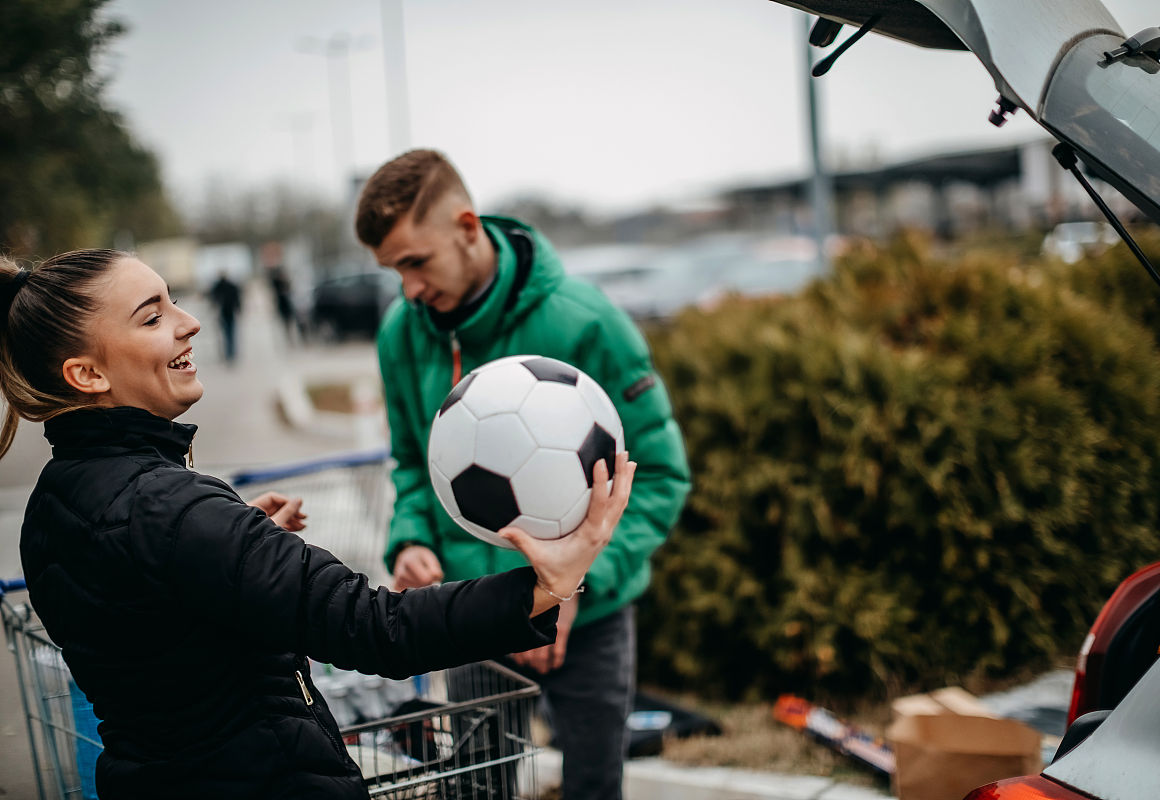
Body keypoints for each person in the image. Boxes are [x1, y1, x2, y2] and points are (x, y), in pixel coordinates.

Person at [1, 249, 636, 799]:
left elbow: (145, 621)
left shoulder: (51, 508)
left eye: (174, 303)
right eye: (154, 316)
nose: (190, 323)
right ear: (87, 374)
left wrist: (226, 545)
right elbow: (378, 629)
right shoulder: (179, 513)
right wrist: (546, 584)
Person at [356, 149, 691, 800]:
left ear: (467, 225)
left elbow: (659, 477)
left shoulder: (586, 319)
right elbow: (410, 467)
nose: (409, 289)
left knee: (595, 786)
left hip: (591, 618)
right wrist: (412, 540)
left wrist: (576, 587)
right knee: (475, 791)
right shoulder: (402, 334)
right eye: (394, 271)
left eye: (415, 262)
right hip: (473, 613)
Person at [208, 270, 241, 363]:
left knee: (226, 334)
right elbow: (237, 299)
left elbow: (213, 298)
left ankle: (228, 353)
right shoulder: (231, 286)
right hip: (229, 313)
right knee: (230, 334)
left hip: (223, 313)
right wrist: (238, 309)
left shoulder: (218, 286)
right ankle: (231, 353)